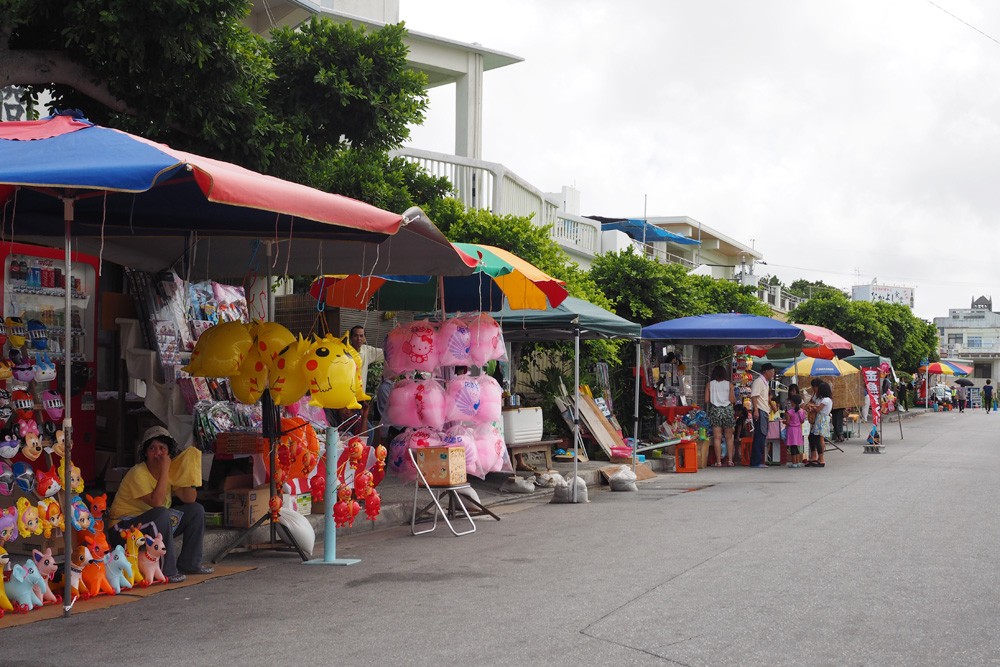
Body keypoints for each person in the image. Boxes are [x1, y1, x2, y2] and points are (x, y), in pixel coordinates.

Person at [107, 426, 213, 582]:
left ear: (169, 452)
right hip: (123, 529)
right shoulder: (138, 472)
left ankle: (190, 564)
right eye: (152, 448)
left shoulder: (168, 471)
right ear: (145, 453)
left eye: (162, 448)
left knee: (196, 510)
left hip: (150, 526)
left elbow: (189, 499)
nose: (158, 453)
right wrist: (165, 469)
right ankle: (167, 571)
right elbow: (156, 502)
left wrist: (188, 472)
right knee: (162, 512)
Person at [704, 365, 737, 467]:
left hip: (715, 410)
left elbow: (706, 400)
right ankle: (730, 460)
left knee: (717, 438)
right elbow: (732, 400)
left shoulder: (709, 385)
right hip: (727, 410)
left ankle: (718, 462)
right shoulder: (729, 384)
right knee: (729, 437)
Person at [749, 363, 775, 468]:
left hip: (764, 411)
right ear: (766, 372)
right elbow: (754, 396)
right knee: (759, 435)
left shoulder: (765, 383)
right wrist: (755, 410)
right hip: (759, 410)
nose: (773, 374)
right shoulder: (759, 381)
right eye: (772, 372)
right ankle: (756, 461)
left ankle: (758, 460)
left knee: (762, 435)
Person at [806, 382, 833, 467]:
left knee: (817, 438)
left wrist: (812, 406)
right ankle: (814, 457)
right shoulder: (825, 399)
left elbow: (818, 409)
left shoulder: (826, 400)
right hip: (820, 418)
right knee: (812, 437)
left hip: (822, 419)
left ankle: (821, 459)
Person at [783, 394, 807, 468]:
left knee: (792, 447)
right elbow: (802, 421)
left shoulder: (789, 412)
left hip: (791, 430)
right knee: (796, 446)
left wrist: (783, 421)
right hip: (798, 429)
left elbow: (787, 422)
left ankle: (794, 462)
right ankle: (797, 461)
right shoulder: (802, 411)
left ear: (792, 402)